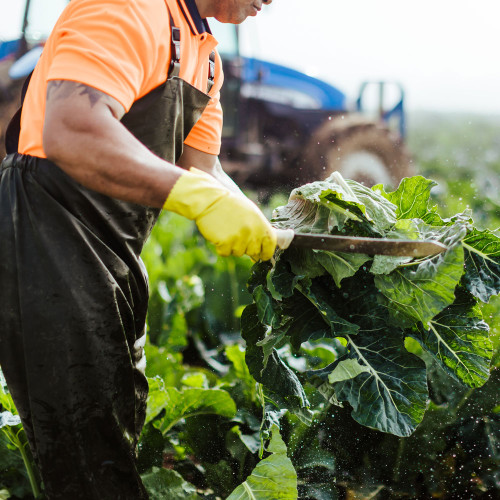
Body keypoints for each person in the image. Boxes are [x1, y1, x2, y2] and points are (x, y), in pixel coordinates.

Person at [0, 0, 275, 498]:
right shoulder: (127, 6)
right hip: (47, 233)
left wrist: (265, 226)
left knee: (115, 426)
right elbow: (72, 129)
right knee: (87, 450)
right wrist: (196, 199)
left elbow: (203, 168)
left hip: (114, 252)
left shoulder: (204, 54)